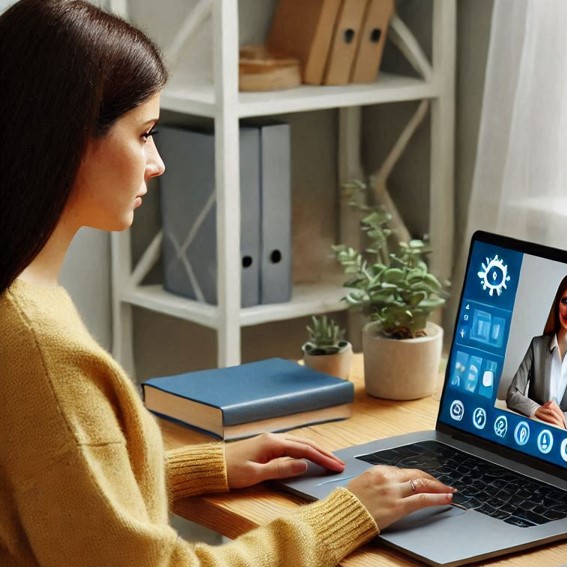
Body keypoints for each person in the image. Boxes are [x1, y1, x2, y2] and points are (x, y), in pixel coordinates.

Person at [0, 1, 456, 565]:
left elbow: (57, 487)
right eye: (144, 134)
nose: (157, 162)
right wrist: (342, 515)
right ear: (71, 137)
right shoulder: (43, 351)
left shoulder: (20, 302)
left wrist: (209, 466)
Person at [507, 275, 567, 429]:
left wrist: (562, 419)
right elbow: (514, 393)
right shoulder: (537, 345)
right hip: (532, 430)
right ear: (557, 304)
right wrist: (536, 410)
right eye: (565, 301)